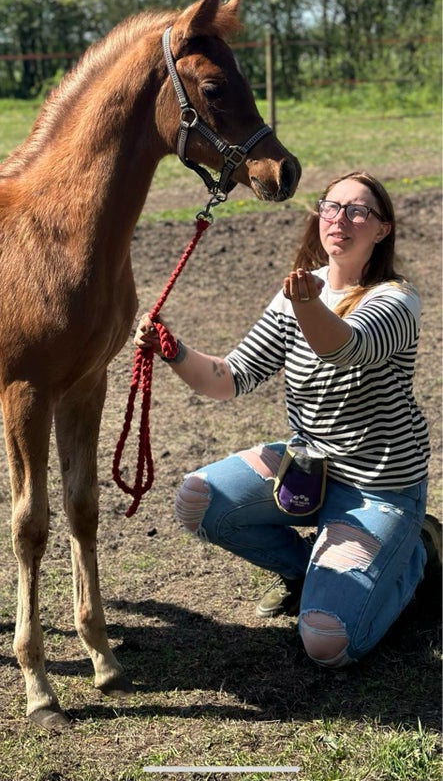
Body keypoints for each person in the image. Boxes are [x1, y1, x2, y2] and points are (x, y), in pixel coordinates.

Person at [135, 170, 441, 668]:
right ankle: (303, 571)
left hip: (377, 489)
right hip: (308, 471)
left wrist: (306, 304)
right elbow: (229, 377)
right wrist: (173, 350)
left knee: (327, 642)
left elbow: (345, 348)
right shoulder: (300, 293)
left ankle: (416, 560)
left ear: (382, 229)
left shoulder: (397, 300)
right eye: (331, 206)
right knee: (198, 500)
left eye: (358, 210)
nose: (341, 218)